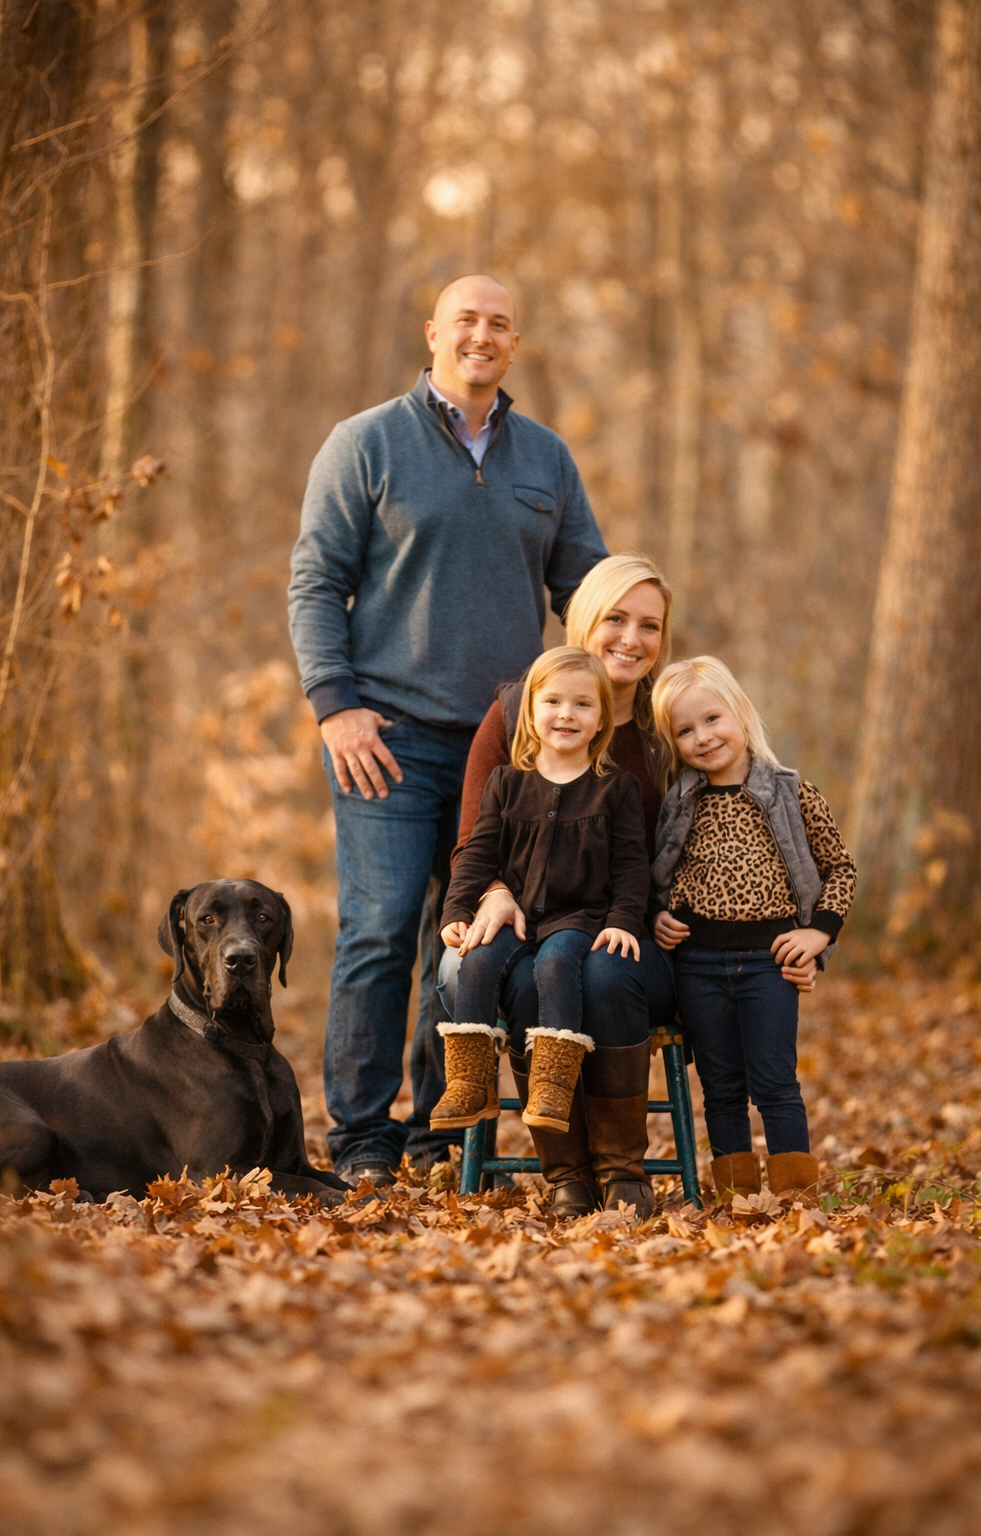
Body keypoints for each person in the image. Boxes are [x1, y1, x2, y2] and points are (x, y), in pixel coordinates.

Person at [288, 275, 607, 1187]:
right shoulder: (365, 443)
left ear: (514, 343)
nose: (482, 335)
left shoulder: (544, 458)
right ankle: (360, 1139)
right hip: (383, 737)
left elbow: (582, 591)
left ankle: (437, 1138)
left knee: (461, 936)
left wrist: (620, 682)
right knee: (382, 930)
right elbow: (315, 584)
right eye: (466, 320)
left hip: (507, 752)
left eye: (499, 324)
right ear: (433, 332)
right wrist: (335, 705)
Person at [438, 553, 674, 1218]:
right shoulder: (520, 710)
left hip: (632, 927)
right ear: (584, 621)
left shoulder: (669, 723)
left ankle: (624, 1169)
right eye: (616, 619)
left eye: (649, 626)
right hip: (527, 922)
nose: (632, 638)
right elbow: (475, 839)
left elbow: (730, 810)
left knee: (600, 975)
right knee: (521, 975)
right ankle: (566, 1170)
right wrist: (487, 894)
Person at [649, 656, 857, 1201]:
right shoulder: (677, 802)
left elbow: (841, 868)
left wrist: (819, 935)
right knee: (719, 1086)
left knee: (774, 1081)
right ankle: (735, 1194)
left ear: (741, 712)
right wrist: (656, 916)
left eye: (713, 718)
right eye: (685, 730)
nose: (703, 737)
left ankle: (794, 1195)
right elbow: (655, 874)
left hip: (770, 963)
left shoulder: (792, 793)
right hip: (697, 965)